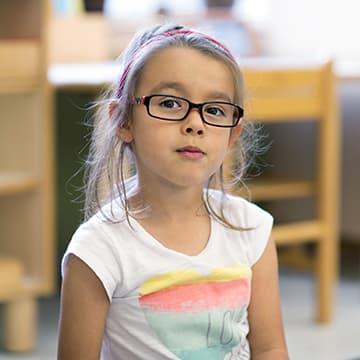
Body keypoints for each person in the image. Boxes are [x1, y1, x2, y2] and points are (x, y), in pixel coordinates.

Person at [57, 23, 288, 360]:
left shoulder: (252, 229)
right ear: (122, 121)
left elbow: (270, 348)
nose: (196, 123)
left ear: (233, 133)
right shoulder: (98, 249)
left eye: (214, 110)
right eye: (169, 103)